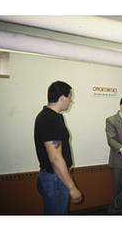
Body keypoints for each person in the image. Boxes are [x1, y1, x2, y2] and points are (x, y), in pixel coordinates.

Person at [34, 81, 82, 214]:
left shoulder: (50, 116)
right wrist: (72, 188)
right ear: (62, 98)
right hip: (54, 179)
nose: (71, 101)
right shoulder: (50, 121)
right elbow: (55, 158)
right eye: (70, 97)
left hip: (55, 177)